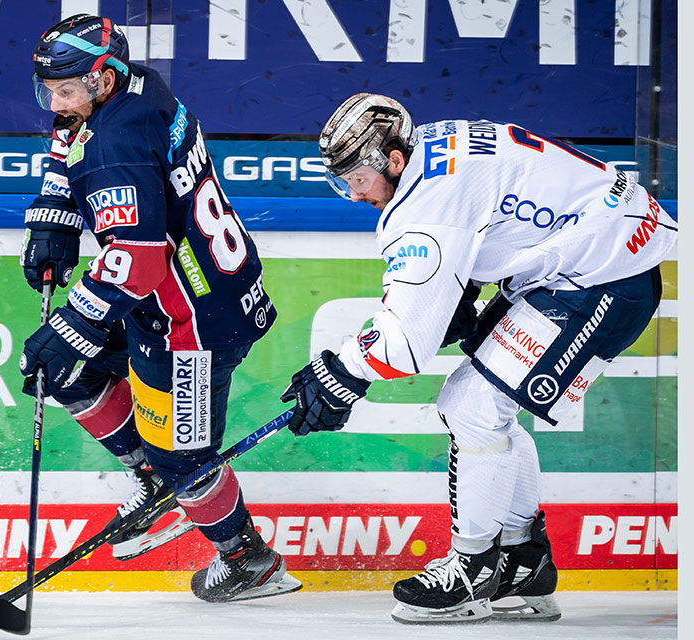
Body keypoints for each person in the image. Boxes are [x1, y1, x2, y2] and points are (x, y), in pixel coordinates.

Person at [280, 93, 676, 623]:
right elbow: (503, 206)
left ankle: (474, 568)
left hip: (602, 274)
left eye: (356, 179)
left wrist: (339, 372)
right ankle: (521, 563)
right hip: (589, 256)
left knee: (471, 406)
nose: (352, 196)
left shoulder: (423, 208)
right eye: (341, 182)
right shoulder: (434, 144)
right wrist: (462, 287)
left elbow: (404, 342)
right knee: (479, 408)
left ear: (394, 161)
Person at [16, 14, 300, 603]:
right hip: (168, 296)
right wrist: (55, 212)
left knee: (183, 459)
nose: (56, 100)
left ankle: (250, 561)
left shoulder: (114, 145)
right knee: (70, 371)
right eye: (48, 88)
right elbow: (68, 135)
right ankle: (152, 481)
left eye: (66, 88)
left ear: (102, 78)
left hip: (190, 320)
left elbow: (137, 258)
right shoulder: (138, 86)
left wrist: (69, 324)